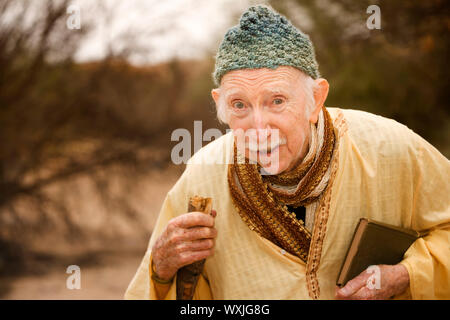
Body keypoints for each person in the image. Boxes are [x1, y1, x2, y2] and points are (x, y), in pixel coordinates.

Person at [125, 5, 449, 300]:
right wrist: (161, 270)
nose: (259, 126)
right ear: (219, 104)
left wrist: (406, 275)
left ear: (316, 99)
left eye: (277, 101)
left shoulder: (389, 147)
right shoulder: (202, 175)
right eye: (239, 105)